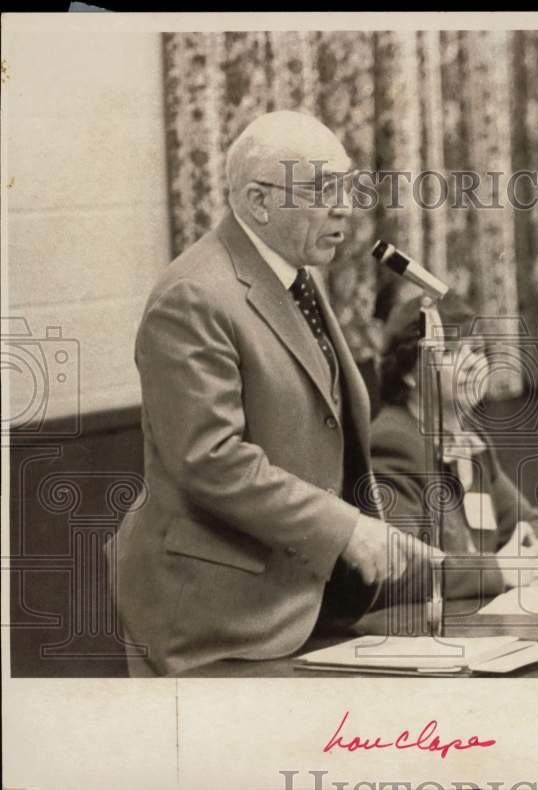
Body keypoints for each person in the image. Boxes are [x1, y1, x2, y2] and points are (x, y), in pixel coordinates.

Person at [106, 111, 422, 676]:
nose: (344, 206)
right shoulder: (194, 296)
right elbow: (209, 459)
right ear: (257, 201)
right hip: (215, 620)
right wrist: (343, 528)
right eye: (324, 188)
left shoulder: (294, 273)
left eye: (347, 185)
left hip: (300, 603)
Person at [370, 293, 538, 604]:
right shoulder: (392, 442)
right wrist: (500, 571)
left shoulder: (470, 440)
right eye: (450, 352)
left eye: (477, 350)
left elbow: (531, 522)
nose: (472, 364)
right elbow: (400, 568)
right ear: (408, 372)